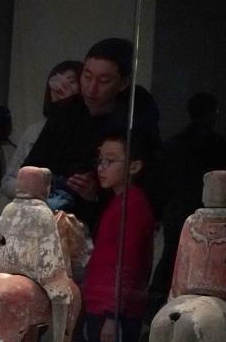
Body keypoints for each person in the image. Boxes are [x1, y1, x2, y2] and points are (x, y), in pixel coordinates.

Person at [23, 39, 160, 232]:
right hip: (52, 220)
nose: (91, 88)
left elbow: (147, 188)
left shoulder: (136, 120)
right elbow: (33, 166)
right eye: (86, 76)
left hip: (105, 225)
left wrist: (96, 192)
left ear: (123, 83)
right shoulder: (66, 111)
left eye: (104, 81)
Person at [80, 131, 156, 342]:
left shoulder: (132, 205)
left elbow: (129, 262)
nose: (101, 168)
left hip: (114, 311)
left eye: (110, 161)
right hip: (103, 305)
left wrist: (113, 315)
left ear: (134, 167)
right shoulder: (120, 202)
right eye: (100, 160)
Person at [149, 93, 226, 306]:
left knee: (173, 255)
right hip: (192, 207)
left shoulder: (174, 144)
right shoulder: (217, 145)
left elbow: (161, 179)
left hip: (177, 208)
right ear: (213, 113)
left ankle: (159, 303)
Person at [0, 60, 82, 200]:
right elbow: (8, 181)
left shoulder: (85, 129)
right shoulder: (35, 130)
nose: (60, 87)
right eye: (55, 82)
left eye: (70, 81)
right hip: (34, 206)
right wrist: (30, 191)